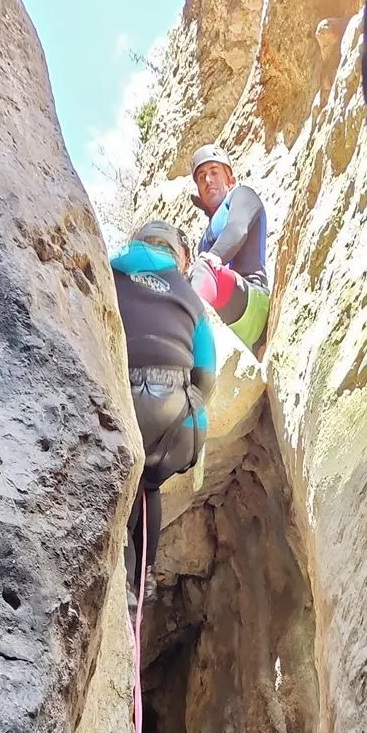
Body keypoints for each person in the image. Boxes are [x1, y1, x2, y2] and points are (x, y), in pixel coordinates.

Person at [111, 219, 217, 590]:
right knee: (148, 485)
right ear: (177, 254)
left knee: (120, 477)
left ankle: (113, 564)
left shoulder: (109, 269)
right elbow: (207, 377)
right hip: (172, 410)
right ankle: (144, 576)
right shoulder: (190, 299)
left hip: (115, 393)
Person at [188, 143, 270, 353]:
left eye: (214, 172)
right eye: (201, 177)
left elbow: (238, 228)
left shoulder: (242, 195)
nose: (208, 180)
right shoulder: (203, 241)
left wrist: (214, 257)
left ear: (230, 179)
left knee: (202, 270)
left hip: (253, 302)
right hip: (228, 315)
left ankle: (183, 332)